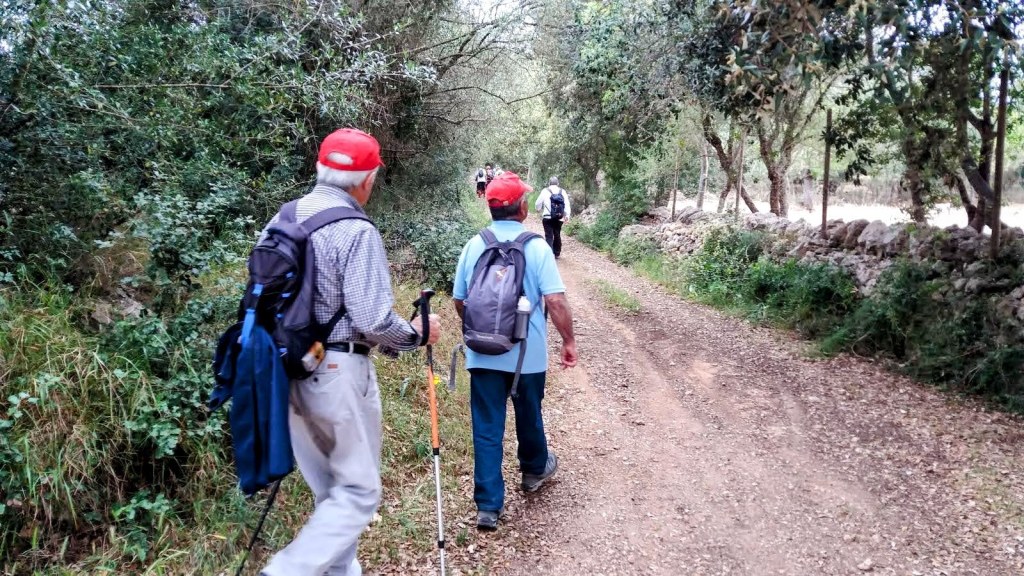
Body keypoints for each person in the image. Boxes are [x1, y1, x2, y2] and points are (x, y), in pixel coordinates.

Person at [260, 128, 442, 576]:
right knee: (358, 493)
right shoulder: (355, 229)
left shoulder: (282, 219)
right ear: (367, 179)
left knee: (331, 494)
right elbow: (373, 319)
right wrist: (417, 334)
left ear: (321, 170)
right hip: (338, 370)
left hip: (285, 371)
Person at [452, 171, 578, 531]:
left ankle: (488, 507)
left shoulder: (474, 245)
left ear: (491, 208)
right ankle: (535, 469)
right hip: (528, 355)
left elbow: (460, 300)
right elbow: (554, 300)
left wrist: (484, 329)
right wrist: (568, 341)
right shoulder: (536, 247)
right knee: (529, 412)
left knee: (487, 425)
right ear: (522, 208)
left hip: (482, 353)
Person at [535, 176, 571, 258]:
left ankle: (549, 254)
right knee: (557, 233)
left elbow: (538, 203)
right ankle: (557, 252)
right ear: (558, 183)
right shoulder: (562, 191)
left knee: (549, 235)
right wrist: (567, 215)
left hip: (547, 217)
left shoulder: (545, 191)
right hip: (559, 217)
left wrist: (538, 209)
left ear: (549, 183)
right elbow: (567, 204)